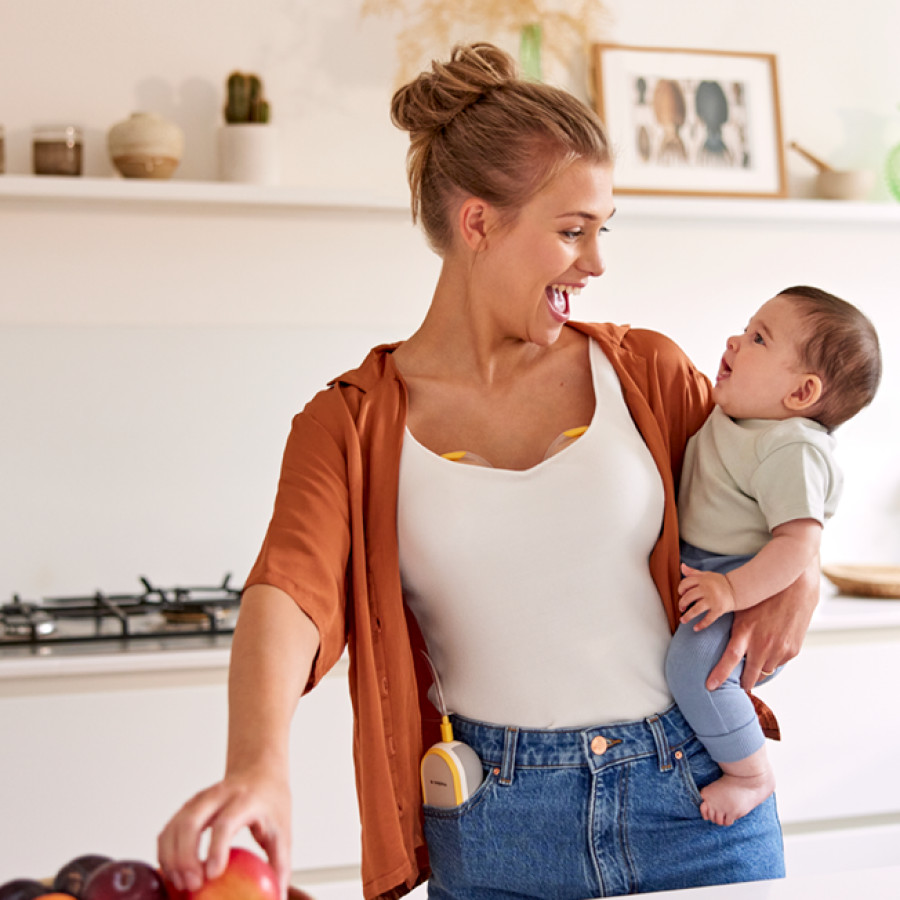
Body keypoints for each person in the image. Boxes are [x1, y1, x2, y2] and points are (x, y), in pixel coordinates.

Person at [157, 43, 820, 900]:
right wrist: (257, 767)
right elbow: (287, 591)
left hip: (695, 800)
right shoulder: (352, 422)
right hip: (498, 825)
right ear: (478, 224)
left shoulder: (648, 374)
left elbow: (775, 482)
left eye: (602, 230)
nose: (596, 262)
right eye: (571, 231)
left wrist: (803, 573)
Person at [666, 287, 881, 827]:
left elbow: (797, 543)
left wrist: (733, 591)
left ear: (802, 391)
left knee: (696, 671)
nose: (736, 340)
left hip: (740, 579)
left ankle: (751, 774)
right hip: (708, 568)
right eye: (747, 328)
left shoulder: (791, 446)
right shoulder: (740, 417)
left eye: (759, 338)